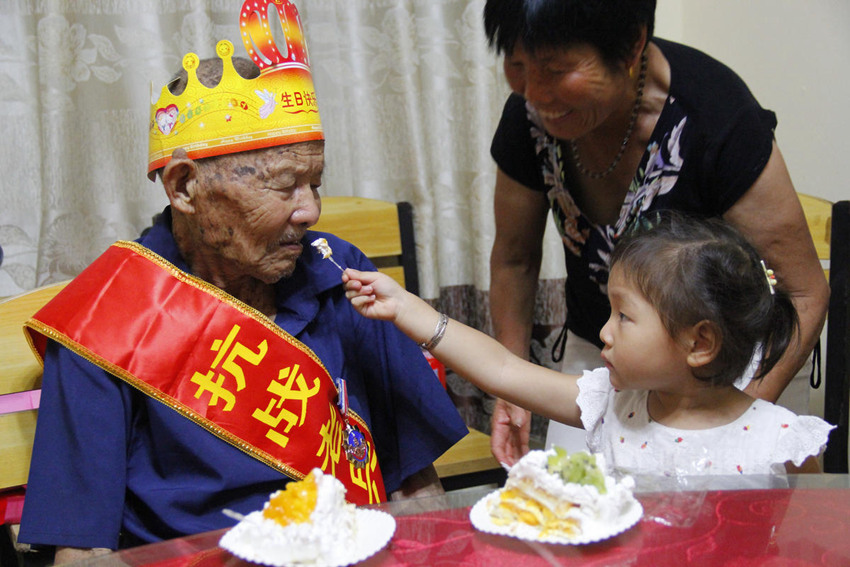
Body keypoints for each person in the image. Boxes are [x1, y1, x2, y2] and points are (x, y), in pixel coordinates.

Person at [18, 4, 467, 563]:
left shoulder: (342, 272)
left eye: (316, 182)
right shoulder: (110, 315)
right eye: (284, 186)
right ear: (184, 187)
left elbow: (415, 488)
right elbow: (80, 555)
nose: (310, 211)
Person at [483, 0, 830, 465]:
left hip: (728, 371)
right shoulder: (530, 119)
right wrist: (515, 387)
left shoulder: (717, 115)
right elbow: (514, 259)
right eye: (517, 65)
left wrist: (735, 421)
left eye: (556, 68)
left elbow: (805, 293)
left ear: (631, 46)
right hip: (610, 353)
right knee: (589, 514)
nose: (535, 93)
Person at [344, 213, 834, 477]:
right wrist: (410, 310)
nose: (604, 331)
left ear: (699, 342)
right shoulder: (610, 405)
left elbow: (812, 535)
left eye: (624, 316)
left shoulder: (781, 440)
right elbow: (503, 370)